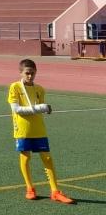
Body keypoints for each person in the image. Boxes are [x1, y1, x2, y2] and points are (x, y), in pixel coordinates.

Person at [8, 59, 75, 204]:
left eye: (32, 73)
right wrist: (40, 108)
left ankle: (55, 191)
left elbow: (39, 108)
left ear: (36, 72)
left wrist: (46, 109)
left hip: (39, 128)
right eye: (27, 73)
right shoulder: (15, 87)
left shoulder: (40, 89)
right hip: (23, 129)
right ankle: (30, 188)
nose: (30, 76)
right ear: (21, 73)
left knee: (48, 158)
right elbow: (17, 109)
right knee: (26, 157)